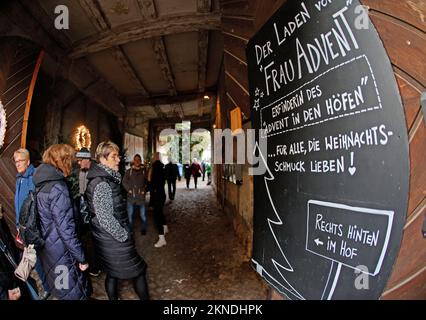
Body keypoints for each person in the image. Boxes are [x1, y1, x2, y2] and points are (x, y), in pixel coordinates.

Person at [85, 141, 149, 300]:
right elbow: (105, 218)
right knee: (138, 271)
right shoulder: (102, 183)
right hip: (114, 240)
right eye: (114, 156)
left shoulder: (107, 178)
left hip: (108, 240)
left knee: (113, 274)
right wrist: (123, 235)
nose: (118, 159)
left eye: (118, 155)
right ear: (102, 159)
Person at [32, 144, 90, 300]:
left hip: (49, 250)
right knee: (73, 294)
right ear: (63, 161)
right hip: (63, 254)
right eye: (70, 160)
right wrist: (81, 258)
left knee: (61, 289)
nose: (72, 164)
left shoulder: (41, 183)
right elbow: (66, 230)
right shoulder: (58, 187)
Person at [13, 148, 50, 300]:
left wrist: (32, 228)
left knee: (41, 259)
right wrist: (18, 225)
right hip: (23, 228)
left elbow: (38, 205)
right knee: (34, 259)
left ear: (27, 161)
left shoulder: (34, 177)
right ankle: (48, 285)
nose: (17, 164)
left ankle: (50, 287)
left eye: (20, 161)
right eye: (15, 161)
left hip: (33, 229)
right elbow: (19, 204)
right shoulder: (19, 178)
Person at [0, 205, 36, 300]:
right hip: (8, 291)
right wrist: (4, 296)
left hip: (17, 281)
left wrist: (23, 258)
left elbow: (8, 246)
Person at [75, 147, 101, 277]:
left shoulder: (95, 172)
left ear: (86, 159)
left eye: (80, 160)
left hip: (94, 212)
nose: (78, 163)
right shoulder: (83, 171)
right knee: (89, 239)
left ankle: (96, 267)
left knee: (95, 240)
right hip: (85, 208)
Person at [122, 154, 147, 235]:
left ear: (140, 161)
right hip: (131, 198)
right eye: (135, 159)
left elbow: (147, 182)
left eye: (138, 159)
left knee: (143, 215)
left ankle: (143, 228)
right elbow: (124, 182)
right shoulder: (129, 172)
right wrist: (129, 189)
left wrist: (144, 190)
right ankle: (130, 231)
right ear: (133, 161)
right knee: (129, 216)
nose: (137, 161)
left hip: (141, 197)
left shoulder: (143, 171)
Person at [148, 152, 168, 247]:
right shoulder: (162, 167)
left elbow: (151, 181)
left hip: (157, 195)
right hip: (162, 194)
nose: (152, 157)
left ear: (155, 157)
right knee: (160, 212)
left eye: (153, 156)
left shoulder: (155, 167)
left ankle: (162, 238)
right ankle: (165, 227)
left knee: (157, 216)